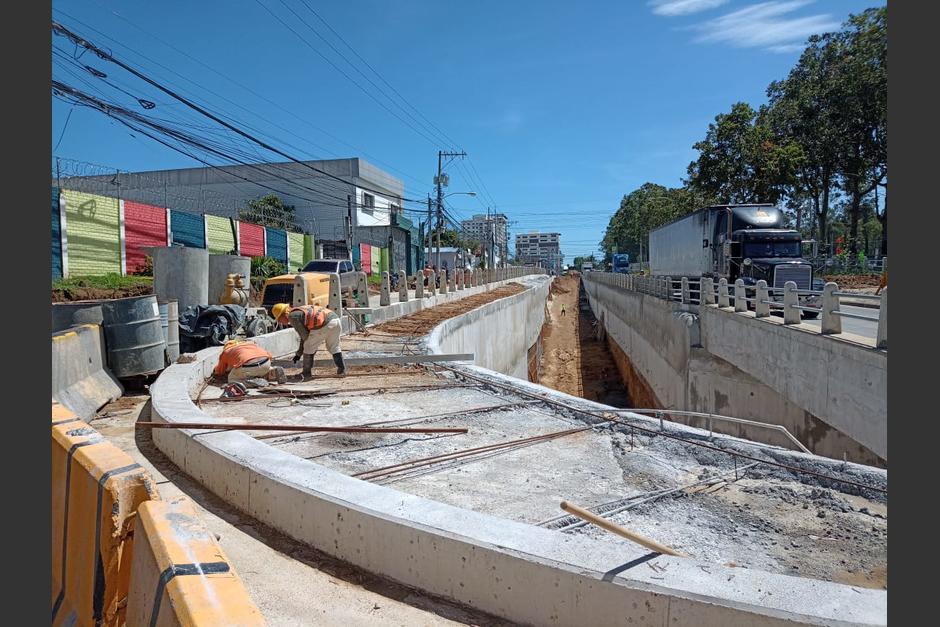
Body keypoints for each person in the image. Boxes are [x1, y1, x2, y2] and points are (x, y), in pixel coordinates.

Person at [272, 302, 345, 379]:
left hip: (324, 323)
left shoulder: (292, 316)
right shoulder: (300, 311)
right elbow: (305, 336)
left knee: (308, 347)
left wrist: (302, 353)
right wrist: (299, 354)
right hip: (335, 320)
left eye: (279, 319)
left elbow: (305, 336)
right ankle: (342, 370)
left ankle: (306, 373)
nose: (280, 322)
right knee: (333, 347)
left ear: (283, 314)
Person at [213, 340, 285, 383]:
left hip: (248, 367)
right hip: (266, 362)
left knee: (231, 379)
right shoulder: (251, 344)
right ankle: (273, 371)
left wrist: (215, 371)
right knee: (261, 368)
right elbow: (269, 355)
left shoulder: (226, 351)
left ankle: (251, 382)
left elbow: (220, 371)